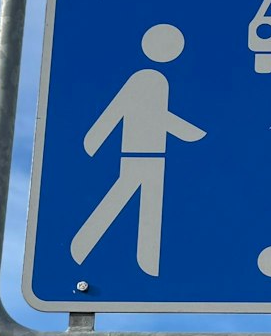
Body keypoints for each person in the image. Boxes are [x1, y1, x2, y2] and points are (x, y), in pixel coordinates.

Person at [71, 23, 205, 277]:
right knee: (123, 196)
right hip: (138, 153)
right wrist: (94, 139)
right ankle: (82, 247)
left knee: (149, 205)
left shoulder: (157, 80)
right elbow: (124, 110)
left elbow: (150, 115)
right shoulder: (147, 79)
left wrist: (95, 140)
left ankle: (148, 263)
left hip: (155, 155)